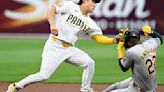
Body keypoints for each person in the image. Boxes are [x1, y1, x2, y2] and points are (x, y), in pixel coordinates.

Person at [6, 0, 118, 92]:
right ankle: (15, 86)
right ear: (85, 1)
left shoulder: (90, 22)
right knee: (43, 75)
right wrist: (52, 24)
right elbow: (51, 9)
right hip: (55, 45)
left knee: (89, 63)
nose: (95, 5)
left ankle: (85, 89)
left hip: (69, 48)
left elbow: (98, 38)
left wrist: (114, 40)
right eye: (93, 1)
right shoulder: (70, 6)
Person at [103, 26, 163, 92]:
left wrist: (119, 49)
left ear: (128, 43)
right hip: (140, 82)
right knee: (115, 86)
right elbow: (160, 39)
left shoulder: (132, 51)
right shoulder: (150, 44)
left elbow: (124, 68)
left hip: (140, 89)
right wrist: (151, 32)